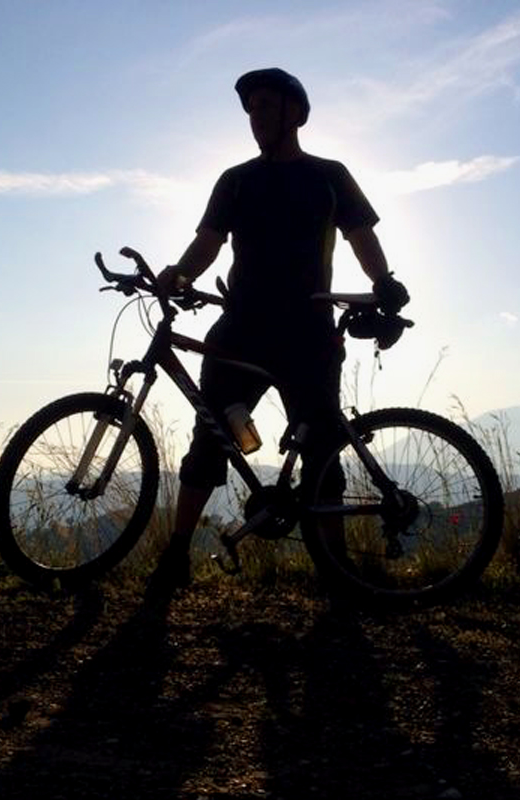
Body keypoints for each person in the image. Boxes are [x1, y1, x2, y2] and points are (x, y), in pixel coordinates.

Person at [150, 67, 409, 589]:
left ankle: (337, 568)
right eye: (250, 110)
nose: (256, 117)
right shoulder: (235, 180)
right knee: (210, 439)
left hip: (307, 332)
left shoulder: (329, 175)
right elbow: (208, 242)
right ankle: (176, 556)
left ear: (296, 114)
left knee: (323, 450)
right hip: (240, 329)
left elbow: (361, 235)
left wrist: (384, 281)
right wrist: (179, 273)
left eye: (266, 106)